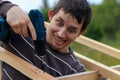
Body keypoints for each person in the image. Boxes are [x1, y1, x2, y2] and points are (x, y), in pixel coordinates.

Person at [0, 0, 92, 80]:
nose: (61, 34)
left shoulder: (76, 71)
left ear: (80, 32)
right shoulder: (22, 33)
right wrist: (8, 8)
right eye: (59, 23)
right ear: (51, 15)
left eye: (71, 30)